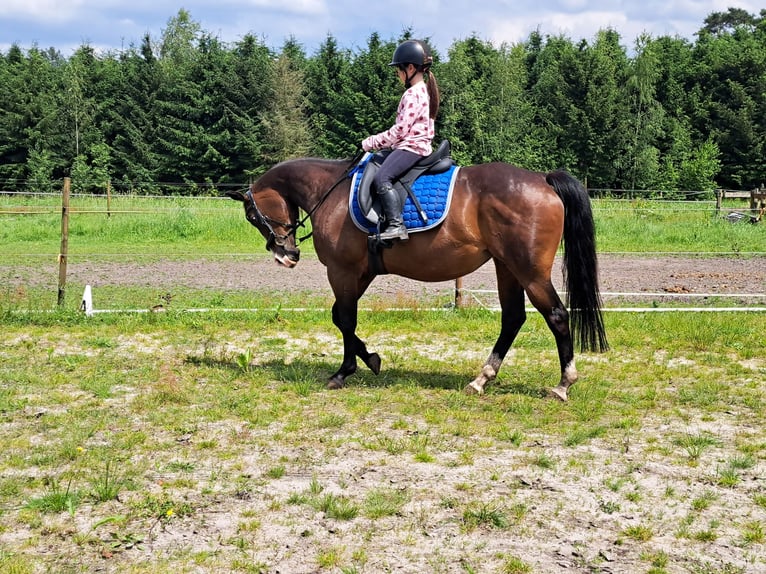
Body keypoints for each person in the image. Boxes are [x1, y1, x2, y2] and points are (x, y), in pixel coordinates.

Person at [362, 39, 440, 241]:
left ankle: (396, 225)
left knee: (382, 178)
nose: (398, 74)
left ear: (411, 68)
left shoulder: (413, 94)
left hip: (411, 147)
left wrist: (371, 142)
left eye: (399, 70)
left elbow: (400, 131)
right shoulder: (426, 90)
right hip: (418, 146)